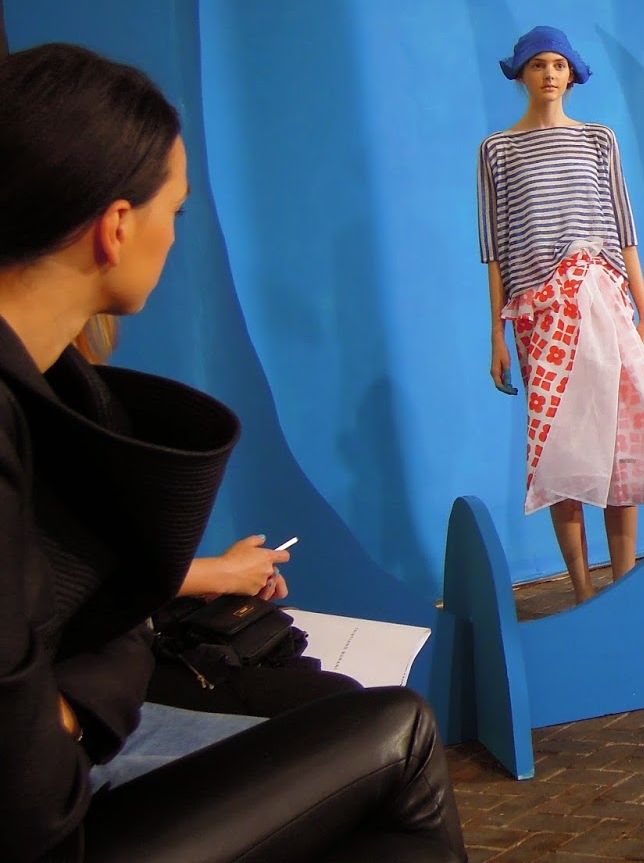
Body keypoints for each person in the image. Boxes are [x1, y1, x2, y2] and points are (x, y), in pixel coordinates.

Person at [0, 42, 464, 862]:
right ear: (115, 228)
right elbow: (31, 795)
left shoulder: (47, 392)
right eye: (174, 212)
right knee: (403, 732)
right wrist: (88, 685)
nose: (173, 236)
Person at [478, 26, 644, 602]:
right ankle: (581, 591)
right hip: (540, 312)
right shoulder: (498, 150)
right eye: (537, 64)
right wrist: (496, 333)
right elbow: (493, 247)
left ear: (572, 73)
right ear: (521, 74)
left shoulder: (599, 139)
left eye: (558, 64)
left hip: (602, 294)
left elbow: (624, 231)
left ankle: (623, 588)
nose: (549, 74)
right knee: (561, 447)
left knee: (619, 439)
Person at [73, 316, 361, 717]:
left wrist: (207, 584)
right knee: (351, 708)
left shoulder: (72, 390)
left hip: (125, 646)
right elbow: (58, 586)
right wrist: (218, 574)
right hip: (88, 678)